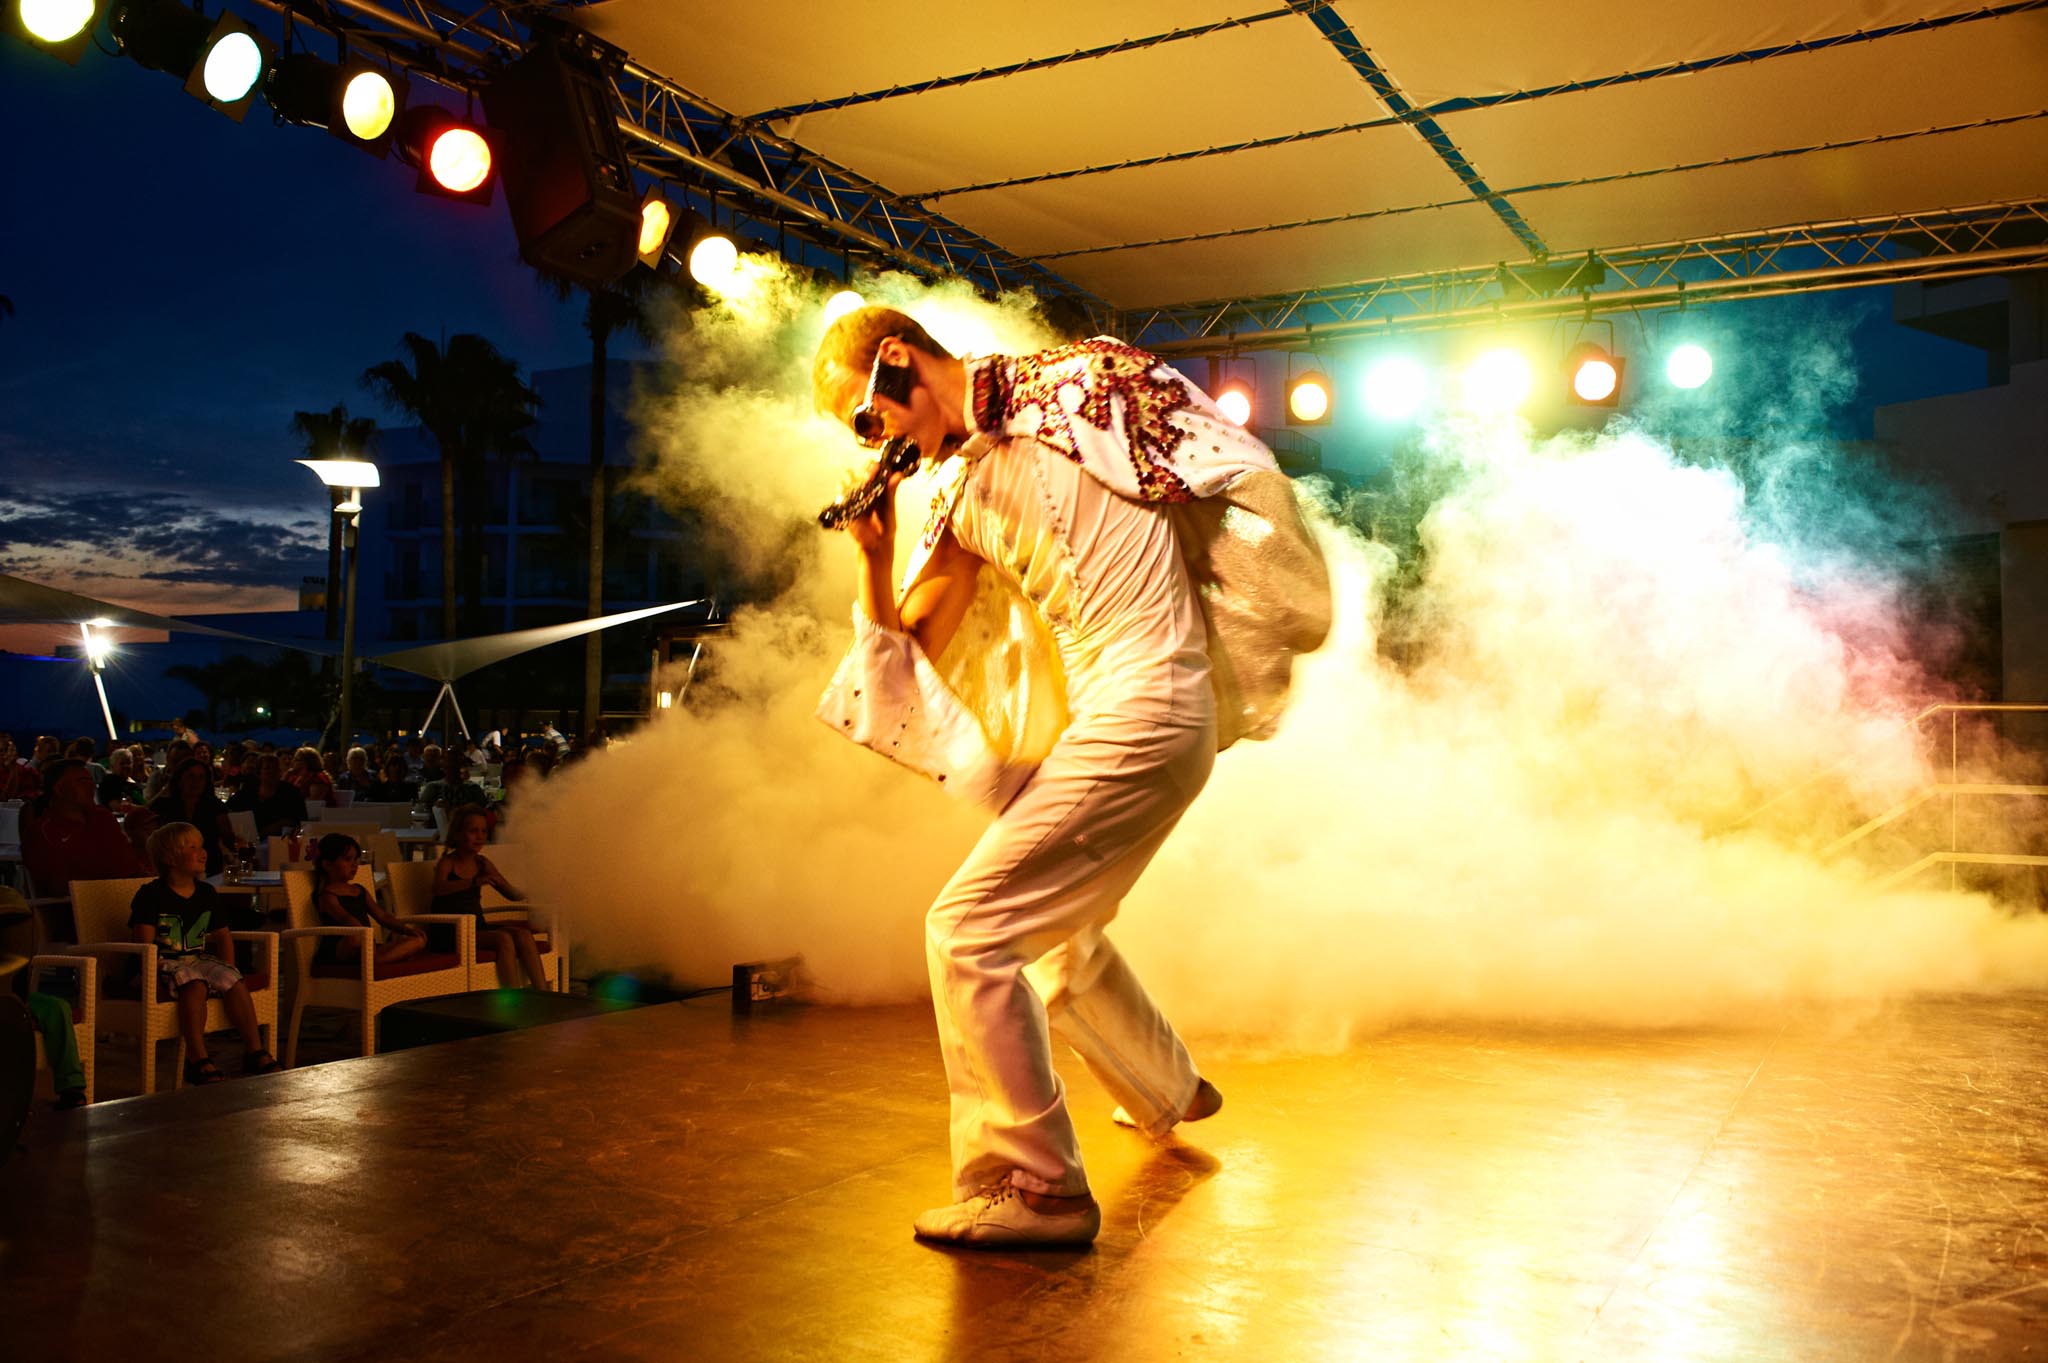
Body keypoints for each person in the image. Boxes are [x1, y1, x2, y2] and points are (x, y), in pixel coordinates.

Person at [811, 308, 1329, 1246]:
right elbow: (908, 652)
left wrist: (1255, 602)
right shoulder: (957, 490)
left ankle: (1040, 1186)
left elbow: (1228, 465)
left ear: (897, 361)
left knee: (967, 931)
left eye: (867, 417)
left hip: (1150, 700)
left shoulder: (1084, 383)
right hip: (1123, 718)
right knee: (1050, 932)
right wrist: (874, 559)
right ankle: (1168, 1085)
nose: (878, 443)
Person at [128, 822, 279, 1084]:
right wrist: (147, 974)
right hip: (162, 963)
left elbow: (222, 935)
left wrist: (228, 970)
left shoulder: (207, 893)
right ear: (170, 858)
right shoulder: (151, 894)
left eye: (201, 846)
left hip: (195, 961)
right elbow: (143, 942)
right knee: (194, 983)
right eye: (193, 847)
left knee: (233, 979)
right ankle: (197, 1057)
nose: (203, 852)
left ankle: (254, 1050)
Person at [432, 805, 550, 990]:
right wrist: (473, 882)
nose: (479, 836)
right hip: (451, 931)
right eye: (473, 831)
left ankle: (543, 993)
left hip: (477, 928)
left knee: (523, 935)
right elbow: (438, 889)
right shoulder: (448, 862)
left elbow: (511, 894)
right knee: (503, 938)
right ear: (458, 833)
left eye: (484, 831)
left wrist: (539, 888)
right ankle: (514, 996)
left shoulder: (482, 863)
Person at [21, 759, 153, 896]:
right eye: (83, 781)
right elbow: (58, 887)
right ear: (59, 788)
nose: (91, 786)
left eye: (91, 780)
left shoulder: (102, 818)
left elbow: (129, 863)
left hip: (127, 894)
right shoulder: (43, 832)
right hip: (84, 902)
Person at [310, 833, 426, 971]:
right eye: (348, 859)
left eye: (355, 859)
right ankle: (380, 958)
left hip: (367, 945)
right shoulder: (327, 895)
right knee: (355, 938)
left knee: (418, 940)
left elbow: (382, 916)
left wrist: (406, 929)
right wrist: (364, 936)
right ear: (327, 864)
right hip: (342, 946)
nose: (354, 865)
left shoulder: (359, 890)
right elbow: (347, 919)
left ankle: (378, 959)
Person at [149, 757, 239, 876]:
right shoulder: (163, 805)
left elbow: (228, 838)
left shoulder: (214, 806)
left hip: (208, 867)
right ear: (180, 779)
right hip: (173, 868)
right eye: (190, 776)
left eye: (201, 777)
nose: (196, 782)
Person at [226, 752, 307, 837]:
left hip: (281, 840)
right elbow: (229, 808)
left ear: (279, 771)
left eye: (275, 768)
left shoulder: (290, 792)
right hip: (251, 839)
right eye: (267, 768)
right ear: (259, 772)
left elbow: (298, 821)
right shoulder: (249, 791)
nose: (271, 771)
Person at [417, 753, 487, 812]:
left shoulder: (473, 788)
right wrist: (434, 806)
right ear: (444, 768)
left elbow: (484, 808)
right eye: (450, 767)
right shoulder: (434, 787)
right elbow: (420, 808)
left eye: (456, 767)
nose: (453, 770)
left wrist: (471, 807)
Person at [0, 733, 42, 802]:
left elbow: (9, 798)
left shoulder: (27, 773)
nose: (4, 755)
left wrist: (12, 768)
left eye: (2, 751)